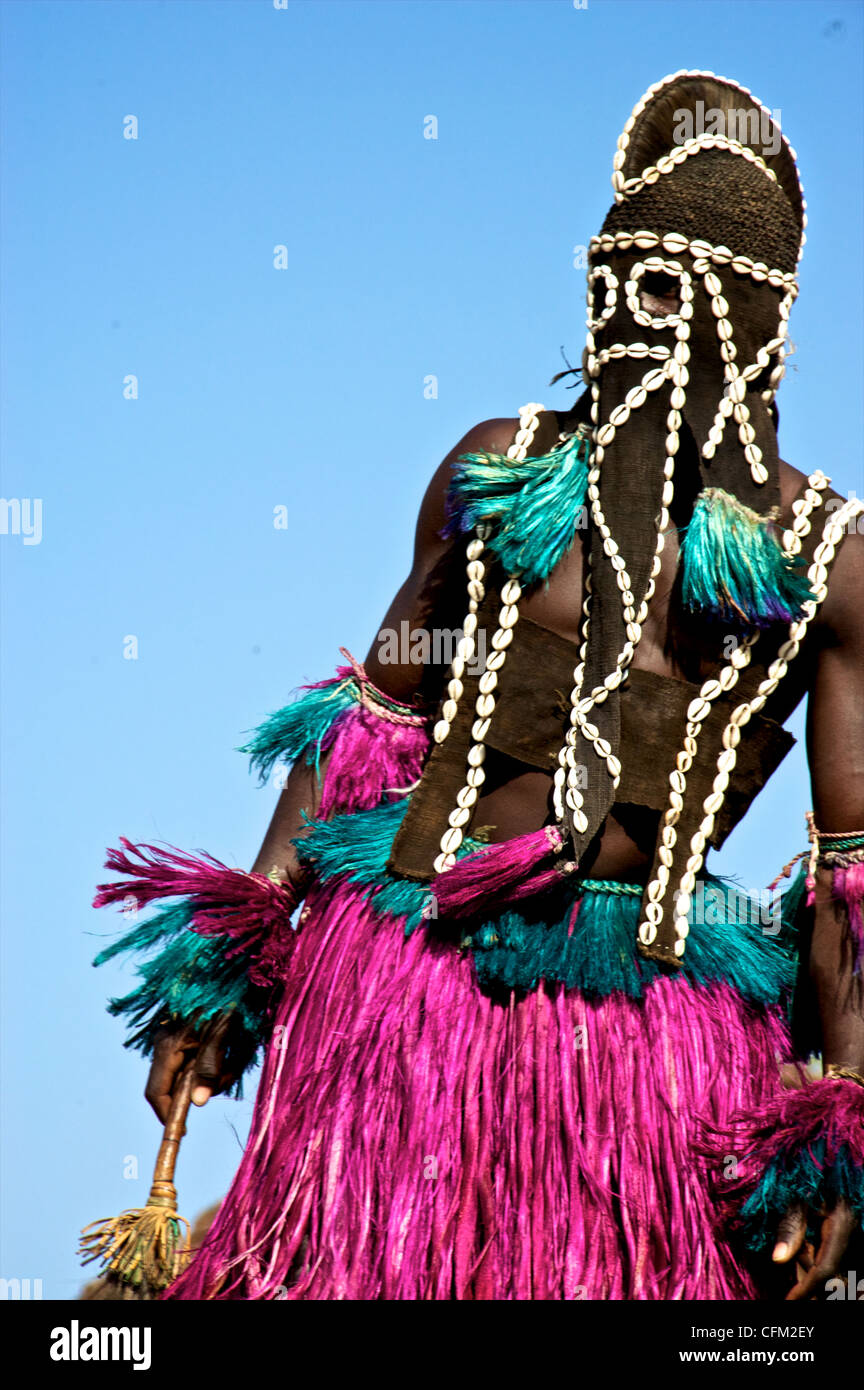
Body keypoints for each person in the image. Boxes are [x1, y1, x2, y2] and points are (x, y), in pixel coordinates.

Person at [93, 70, 864, 1300]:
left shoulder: (828, 566)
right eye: (613, 290)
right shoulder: (501, 471)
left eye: (666, 296)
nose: (628, 328)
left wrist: (833, 1123)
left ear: (752, 329)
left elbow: (848, 880)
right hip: (408, 983)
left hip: (649, 1046)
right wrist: (234, 957)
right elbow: (374, 721)